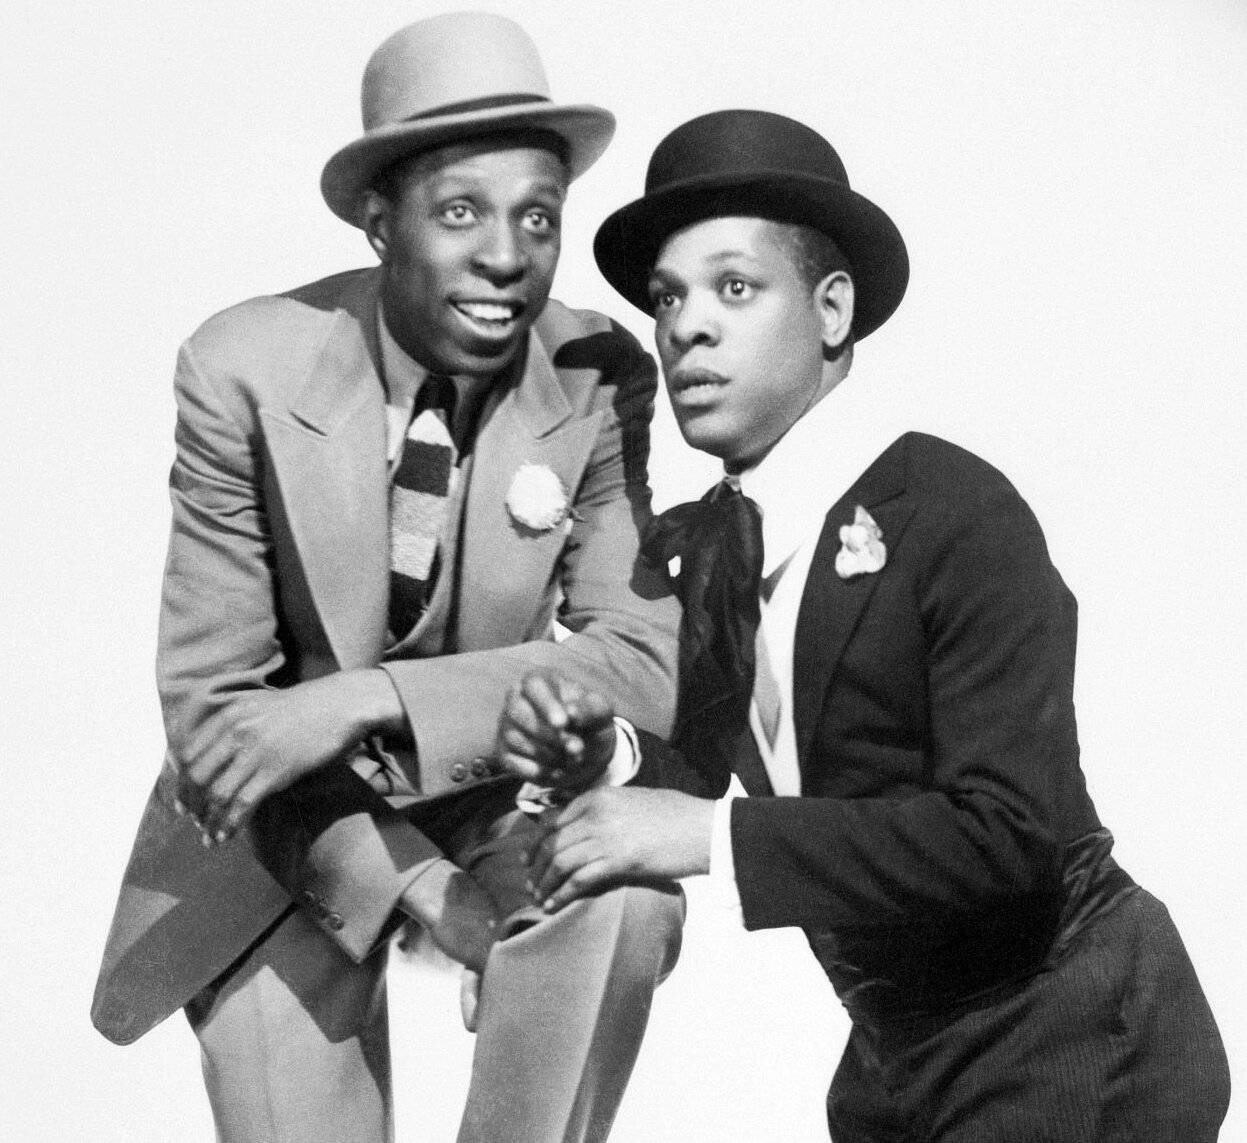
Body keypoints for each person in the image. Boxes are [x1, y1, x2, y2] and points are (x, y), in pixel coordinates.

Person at [498, 110, 1231, 1141]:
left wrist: (700, 836)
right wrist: (608, 755)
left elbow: (1004, 833)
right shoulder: (713, 547)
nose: (684, 327)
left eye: (733, 287)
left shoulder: (952, 511)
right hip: (895, 1053)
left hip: (1068, 1023)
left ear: (831, 309)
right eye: (667, 297)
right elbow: (720, 768)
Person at [90, 14, 684, 1143]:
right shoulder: (243, 371)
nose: (507, 258)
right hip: (282, 842)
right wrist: (428, 897)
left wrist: (362, 699)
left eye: (537, 218)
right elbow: (222, 727)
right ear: (378, 222)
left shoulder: (595, 374)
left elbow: (641, 662)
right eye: (460, 212)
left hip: (494, 804)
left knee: (627, 903)